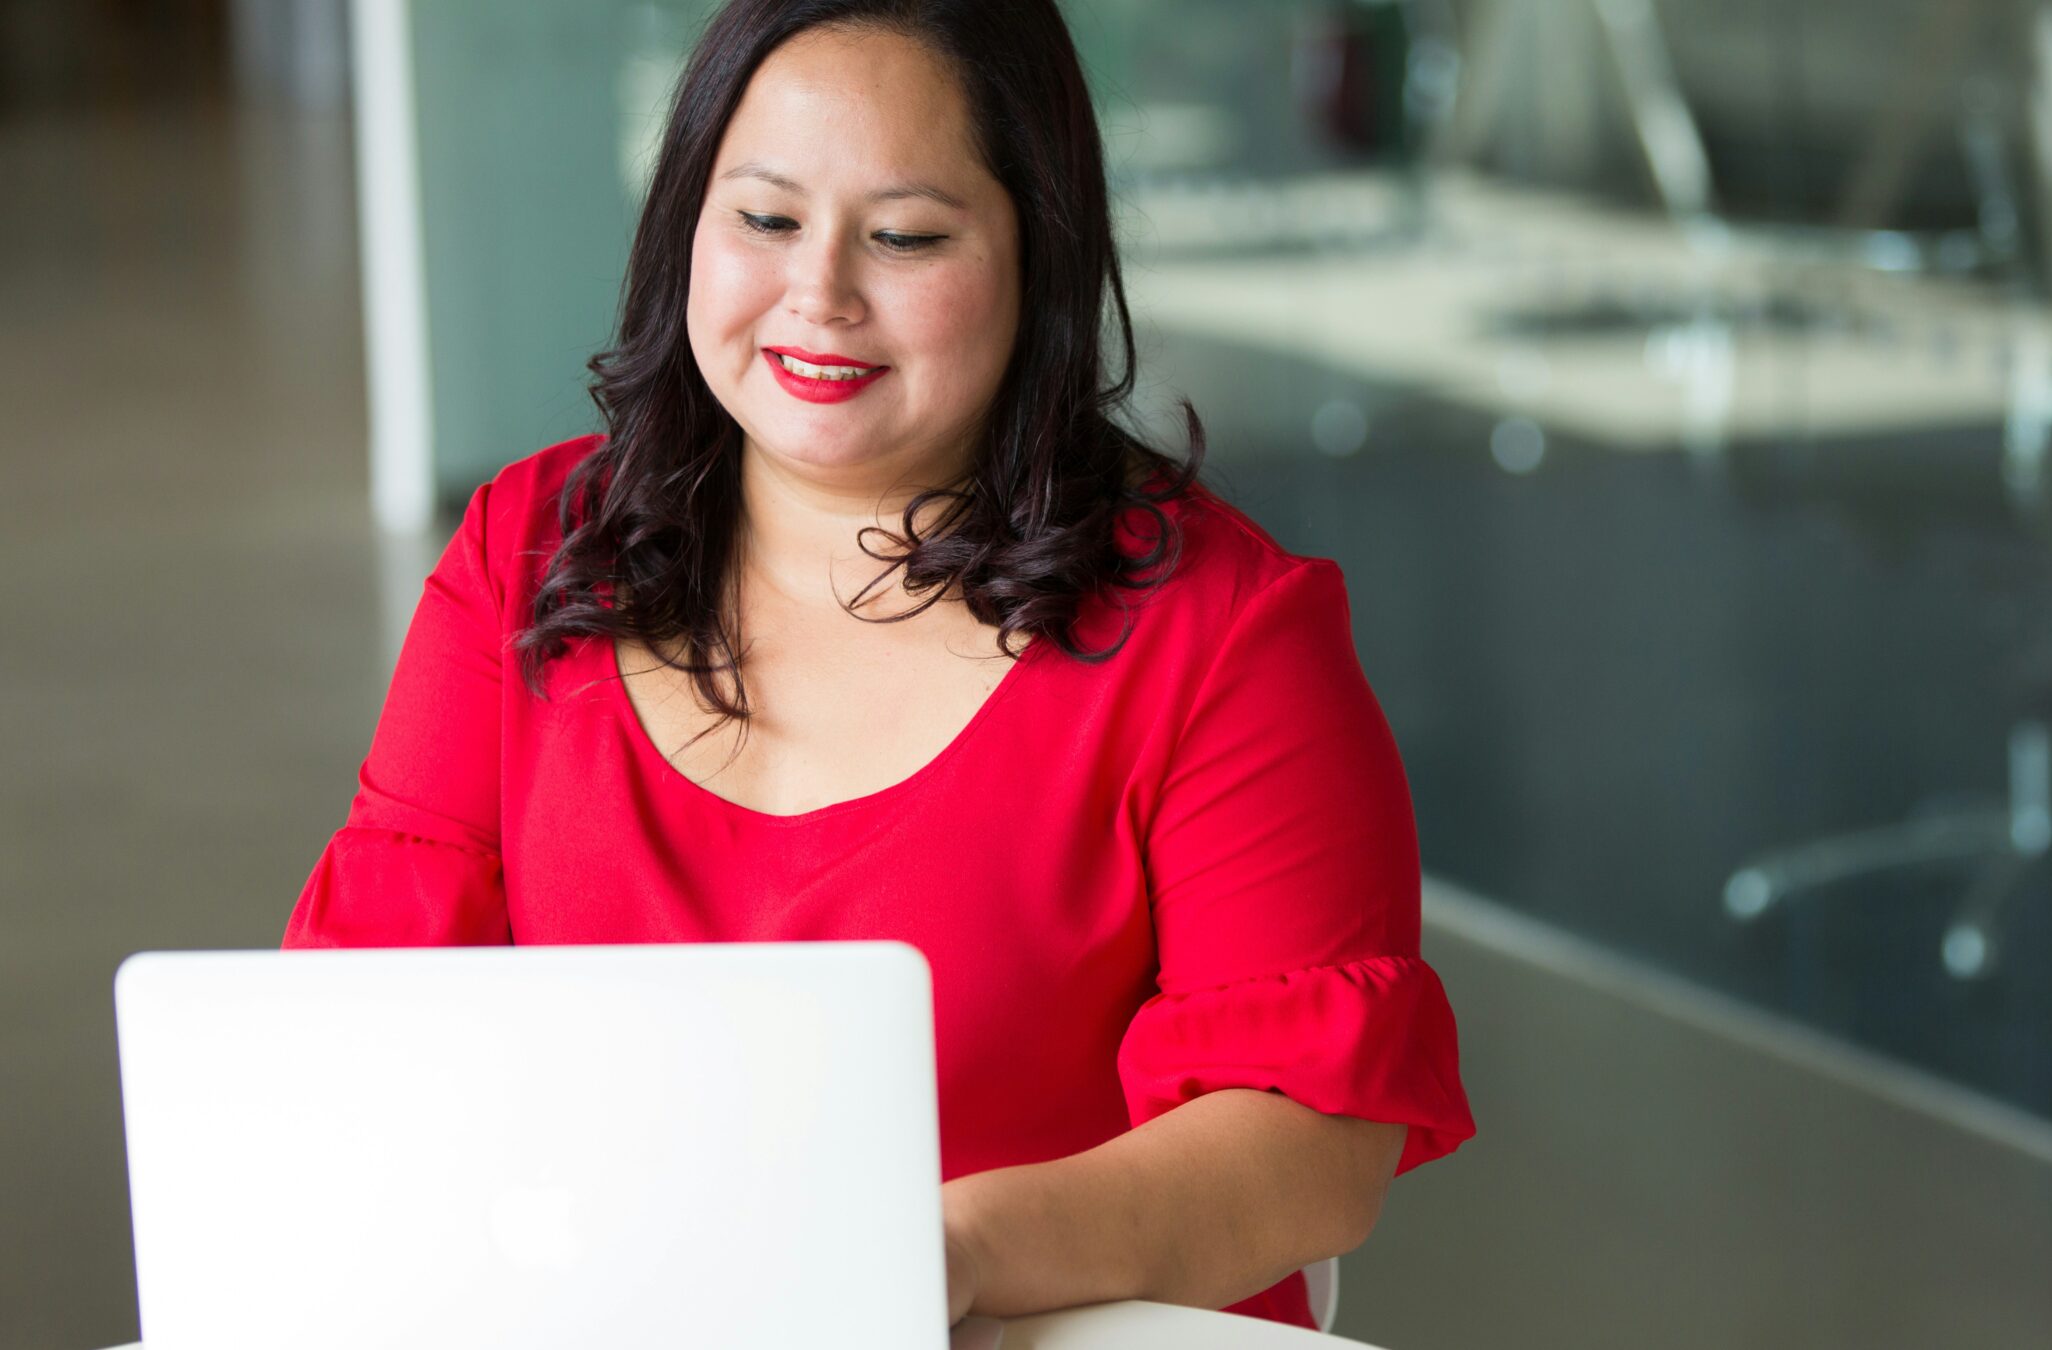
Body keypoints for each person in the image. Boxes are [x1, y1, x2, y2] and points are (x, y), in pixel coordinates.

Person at [285, 0, 1473, 1330]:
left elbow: (1309, 1147)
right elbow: (364, 1029)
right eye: (765, 218)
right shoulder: (525, 554)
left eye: (905, 235)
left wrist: (934, 1254)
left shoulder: (1224, 634)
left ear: (1041, 258)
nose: (820, 294)